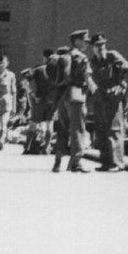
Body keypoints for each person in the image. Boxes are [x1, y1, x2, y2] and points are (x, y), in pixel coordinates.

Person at [51, 29, 96, 172]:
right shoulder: (81, 57)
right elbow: (87, 77)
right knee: (78, 129)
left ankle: (58, 162)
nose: (87, 45)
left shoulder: (62, 56)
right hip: (76, 96)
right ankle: (76, 162)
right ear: (77, 41)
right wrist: (95, 91)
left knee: (62, 129)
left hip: (63, 95)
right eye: (85, 41)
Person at [88, 33, 128, 171]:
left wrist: (127, 88)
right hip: (100, 99)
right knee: (101, 131)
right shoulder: (93, 61)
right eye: (97, 45)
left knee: (114, 130)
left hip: (113, 98)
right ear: (92, 48)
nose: (101, 47)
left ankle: (117, 163)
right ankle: (105, 162)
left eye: (103, 45)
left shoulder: (113, 56)